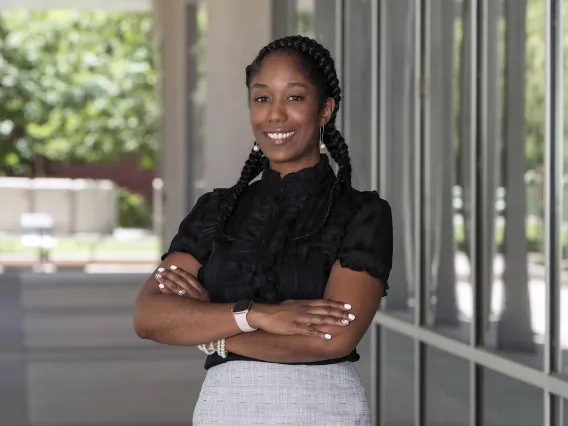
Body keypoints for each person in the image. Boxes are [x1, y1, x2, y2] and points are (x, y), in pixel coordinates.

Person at [134, 35, 393, 425]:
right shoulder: (215, 212)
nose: (274, 115)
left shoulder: (362, 213)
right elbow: (150, 316)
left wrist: (211, 333)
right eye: (261, 98)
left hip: (322, 410)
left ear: (325, 109)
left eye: (294, 97)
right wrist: (254, 314)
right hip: (225, 410)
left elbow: (333, 338)